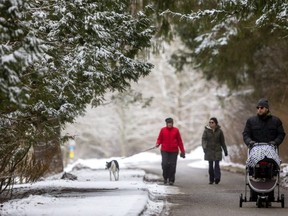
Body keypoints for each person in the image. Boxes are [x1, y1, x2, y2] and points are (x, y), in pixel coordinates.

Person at [242, 98, 285, 202]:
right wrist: (250, 142)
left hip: (270, 149)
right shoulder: (251, 121)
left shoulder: (276, 121)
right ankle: (253, 193)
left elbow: (281, 134)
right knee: (253, 168)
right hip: (255, 149)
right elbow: (246, 134)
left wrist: (275, 142)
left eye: (261, 107)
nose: (259, 109)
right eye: (258, 108)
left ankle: (270, 194)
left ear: (267, 109)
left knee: (272, 168)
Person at [156, 117, 185, 185]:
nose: (170, 124)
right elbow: (159, 139)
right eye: (168, 123)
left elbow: (179, 141)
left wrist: (182, 151)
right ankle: (165, 177)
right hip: (164, 150)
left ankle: (171, 179)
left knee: (172, 165)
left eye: (171, 123)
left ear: (172, 123)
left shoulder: (176, 130)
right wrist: (158, 143)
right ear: (166, 124)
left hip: (174, 151)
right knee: (165, 164)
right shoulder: (163, 130)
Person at [202, 117, 228, 184]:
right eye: (210, 122)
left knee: (217, 164)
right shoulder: (206, 131)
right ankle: (211, 179)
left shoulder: (219, 131)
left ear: (216, 123)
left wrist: (225, 150)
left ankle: (217, 178)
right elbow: (204, 140)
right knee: (210, 166)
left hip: (217, 150)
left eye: (212, 122)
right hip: (209, 150)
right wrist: (204, 147)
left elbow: (222, 142)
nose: (211, 123)